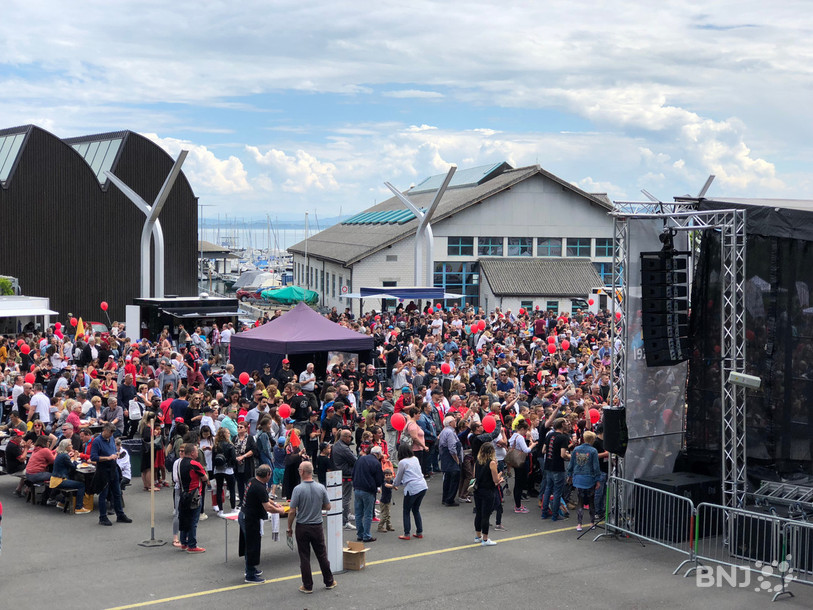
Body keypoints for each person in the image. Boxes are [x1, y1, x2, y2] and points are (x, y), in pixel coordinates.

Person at [287, 460, 337, 594]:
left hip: (302, 526)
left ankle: (307, 585)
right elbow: (328, 506)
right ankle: (329, 581)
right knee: (322, 554)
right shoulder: (320, 487)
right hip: (317, 526)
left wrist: (289, 527)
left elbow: (292, 511)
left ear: (302, 472)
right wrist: (316, 507)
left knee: (304, 557)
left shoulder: (297, 489)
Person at [239, 464, 286, 583]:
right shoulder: (258, 487)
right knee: (252, 545)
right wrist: (280, 510)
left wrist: (275, 504)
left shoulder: (253, 481)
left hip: (245, 515)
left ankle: (251, 569)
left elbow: (265, 499)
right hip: (250, 518)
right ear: (267, 475)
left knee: (250, 544)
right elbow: (267, 507)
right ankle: (249, 574)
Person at [90, 423, 133, 526]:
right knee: (103, 494)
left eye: (112, 433)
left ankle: (120, 514)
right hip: (103, 470)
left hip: (113, 468)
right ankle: (103, 517)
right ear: (104, 430)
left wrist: (116, 454)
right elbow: (93, 457)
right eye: (110, 432)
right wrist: (108, 458)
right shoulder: (97, 441)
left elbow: (113, 450)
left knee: (117, 492)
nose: (111, 434)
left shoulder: (112, 438)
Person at [567, 430, 601, 532]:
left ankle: (579, 524)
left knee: (580, 501)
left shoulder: (576, 449)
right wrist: (597, 479)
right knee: (591, 501)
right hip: (589, 478)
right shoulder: (593, 451)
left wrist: (569, 475)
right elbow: (596, 467)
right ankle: (591, 522)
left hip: (578, 477)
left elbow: (571, 464)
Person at [393, 443, 428, 540]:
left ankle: (407, 533)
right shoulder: (415, 459)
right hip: (422, 485)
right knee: (416, 509)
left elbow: (399, 477)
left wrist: (394, 484)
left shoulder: (402, 462)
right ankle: (419, 531)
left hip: (412, 488)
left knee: (406, 510)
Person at [178, 442, 208, 553]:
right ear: (192, 453)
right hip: (194, 495)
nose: (197, 453)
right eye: (196, 451)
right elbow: (205, 478)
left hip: (184, 493)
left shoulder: (180, 463)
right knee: (193, 521)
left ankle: (184, 542)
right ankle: (192, 545)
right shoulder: (194, 464)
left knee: (184, 517)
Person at [473, 441, 503, 546]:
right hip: (488, 491)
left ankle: (478, 536)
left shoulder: (477, 461)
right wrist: (500, 475)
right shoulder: (492, 463)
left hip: (477, 490)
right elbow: (495, 480)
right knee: (486, 515)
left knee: (479, 513)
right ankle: (485, 539)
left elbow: (474, 476)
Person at [541, 418, 571, 521]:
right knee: (557, 491)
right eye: (566, 423)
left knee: (548, 489)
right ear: (562, 424)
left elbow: (543, 450)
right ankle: (555, 515)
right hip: (558, 467)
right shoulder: (563, 438)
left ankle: (544, 513)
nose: (568, 424)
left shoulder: (550, 435)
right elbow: (563, 455)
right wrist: (570, 456)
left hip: (548, 465)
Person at [352, 445, 384, 543]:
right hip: (368, 490)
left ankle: (360, 534)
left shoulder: (360, 459)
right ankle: (366, 535)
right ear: (378, 454)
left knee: (358, 513)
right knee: (368, 514)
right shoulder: (376, 463)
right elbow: (379, 480)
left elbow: (353, 473)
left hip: (357, 488)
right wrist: (376, 487)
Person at [50, 439, 92, 514]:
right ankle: (79, 507)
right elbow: (73, 467)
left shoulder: (60, 454)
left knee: (71, 478)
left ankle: (62, 502)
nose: (72, 446)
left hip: (56, 478)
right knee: (81, 485)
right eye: (70, 445)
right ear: (66, 447)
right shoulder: (64, 456)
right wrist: (75, 457)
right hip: (60, 480)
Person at [508, 420, 537, 513]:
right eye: (525, 430)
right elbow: (526, 450)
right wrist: (532, 445)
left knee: (517, 483)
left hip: (515, 461)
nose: (526, 432)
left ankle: (518, 504)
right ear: (522, 429)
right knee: (519, 484)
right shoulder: (520, 437)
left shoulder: (513, 436)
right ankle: (518, 506)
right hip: (521, 461)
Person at [331, 428, 357, 530]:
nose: (351, 438)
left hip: (340, 472)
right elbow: (354, 460)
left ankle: (348, 514)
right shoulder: (344, 448)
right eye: (350, 436)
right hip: (346, 474)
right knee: (346, 498)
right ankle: (345, 521)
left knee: (346, 496)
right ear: (345, 437)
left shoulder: (337, 445)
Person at [438, 415, 463, 507]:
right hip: (450, 458)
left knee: (447, 479)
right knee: (454, 477)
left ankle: (445, 498)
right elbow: (452, 448)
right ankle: (450, 499)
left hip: (445, 457)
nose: (455, 422)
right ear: (450, 423)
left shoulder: (444, 431)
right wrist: (456, 459)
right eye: (454, 420)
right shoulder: (450, 432)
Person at [212, 427, 237, 514]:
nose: (229, 434)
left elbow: (213, 459)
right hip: (228, 469)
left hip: (218, 469)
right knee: (232, 489)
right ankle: (233, 508)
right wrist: (232, 465)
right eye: (228, 433)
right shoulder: (230, 445)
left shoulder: (215, 446)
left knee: (219, 488)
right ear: (226, 435)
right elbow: (233, 458)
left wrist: (213, 470)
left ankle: (220, 510)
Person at [376, 468, 395, 533]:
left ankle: (388, 526)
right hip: (383, 501)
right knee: (384, 515)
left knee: (388, 514)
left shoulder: (391, 481)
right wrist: (393, 486)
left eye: (389, 475)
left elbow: (395, 483)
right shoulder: (384, 482)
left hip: (388, 500)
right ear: (384, 476)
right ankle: (380, 526)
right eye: (386, 475)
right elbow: (387, 485)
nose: (388, 477)